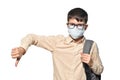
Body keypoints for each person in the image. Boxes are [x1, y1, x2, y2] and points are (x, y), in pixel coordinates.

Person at [11, 7, 104, 80]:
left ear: (85, 27)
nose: (75, 28)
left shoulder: (91, 45)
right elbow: (32, 37)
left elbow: (100, 70)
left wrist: (91, 63)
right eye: (72, 24)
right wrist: (22, 49)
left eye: (80, 25)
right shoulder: (57, 42)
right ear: (67, 25)